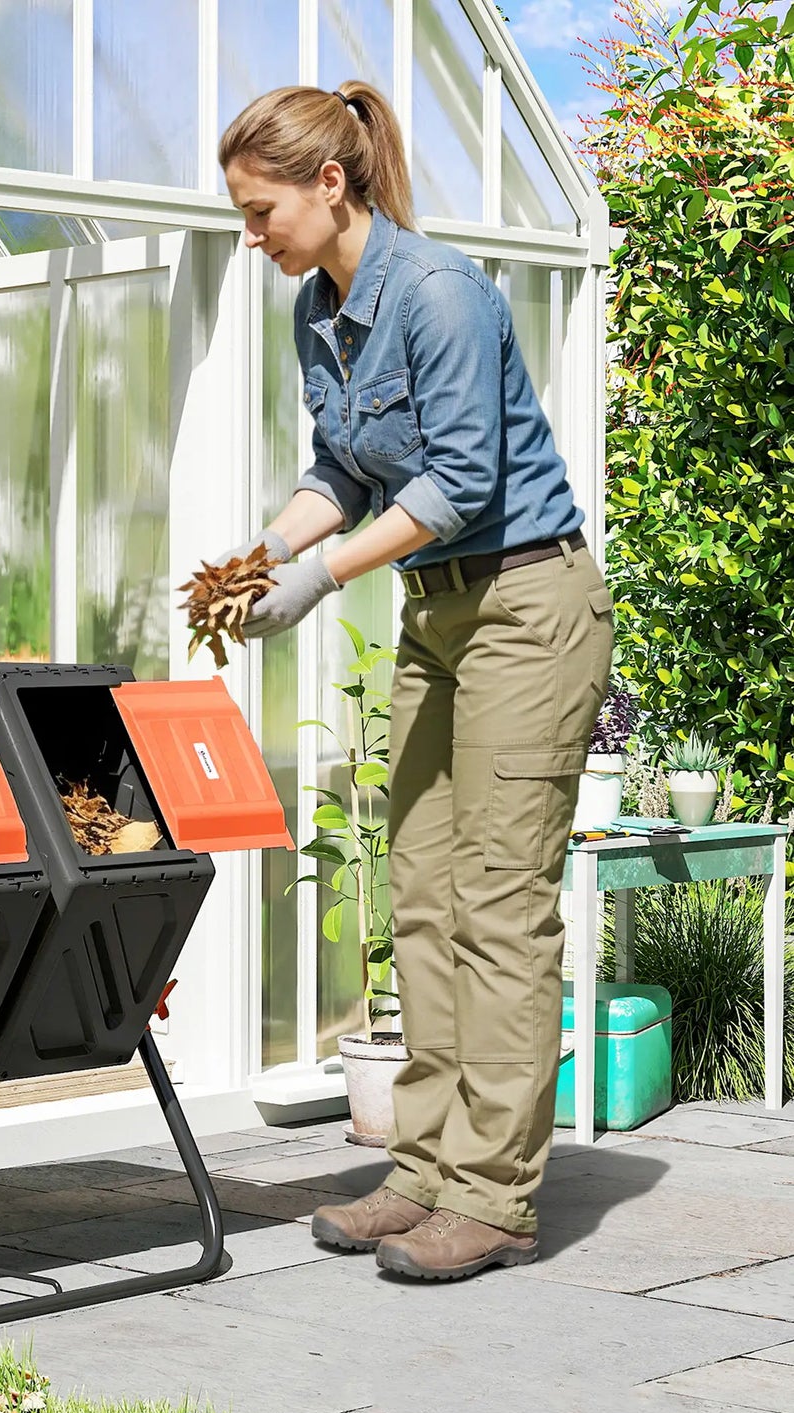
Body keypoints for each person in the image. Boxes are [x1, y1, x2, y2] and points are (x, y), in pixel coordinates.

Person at [212, 82, 613, 1281]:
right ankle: (426, 1167)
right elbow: (338, 465)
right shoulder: (314, 312)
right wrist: (258, 556)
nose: (250, 235)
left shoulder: (436, 292)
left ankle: (493, 1195)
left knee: (496, 900)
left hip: (526, 604)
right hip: (440, 614)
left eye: (257, 209)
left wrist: (322, 577)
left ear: (328, 184)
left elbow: (453, 485)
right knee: (424, 892)